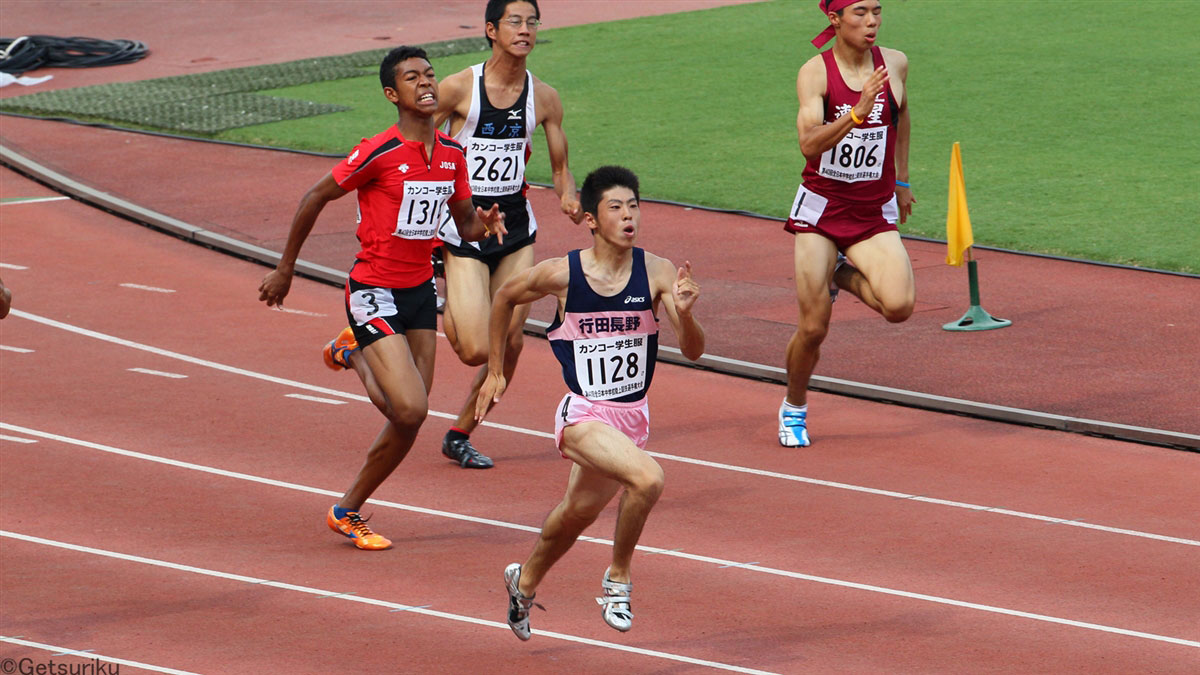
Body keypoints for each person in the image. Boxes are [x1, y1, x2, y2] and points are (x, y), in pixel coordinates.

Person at [257, 46, 505, 550]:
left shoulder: (454, 156)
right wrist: (286, 268)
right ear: (393, 94)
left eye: (430, 74)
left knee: (408, 416)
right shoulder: (378, 151)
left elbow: (464, 225)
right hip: (373, 288)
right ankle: (353, 353)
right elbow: (314, 197)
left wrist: (487, 226)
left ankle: (347, 510)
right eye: (412, 78)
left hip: (418, 291)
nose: (427, 83)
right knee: (412, 411)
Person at [478, 166, 704, 639]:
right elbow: (503, 297)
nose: (628, 217)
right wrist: (496, 369)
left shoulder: (658, 271)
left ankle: (525, 581)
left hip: (631, 419)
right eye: (616, 208)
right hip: (582, 414)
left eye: (634, 206)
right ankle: (617, 579)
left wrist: (684, 313)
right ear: (591, 219)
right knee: (648, 479)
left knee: (574, 515)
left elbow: (693, 350)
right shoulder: (563, 274)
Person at [430, 0, 583, 470]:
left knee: (510, 344)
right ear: (491, 30)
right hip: (464, 226)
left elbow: (560, 168)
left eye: (532, 22)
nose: (526, 30)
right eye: (515, 22)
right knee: (476, 347)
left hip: (514, 227)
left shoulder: (545, 97)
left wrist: (570, 197)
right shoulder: (459, 88)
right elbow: (415, 140)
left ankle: (460, 433)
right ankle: (432, 295)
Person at [780, 0, 916, 447]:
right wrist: (856, 112)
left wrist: (902, 178)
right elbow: (808, 144)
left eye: (877, 10)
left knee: (899, 307)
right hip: (822, 210)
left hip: (872, 211)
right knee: (815, 327)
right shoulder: (815, 73)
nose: (872, 21)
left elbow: (902, 116)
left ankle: (837, 271)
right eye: (859, 12)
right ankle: (794, 408)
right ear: (834, 20)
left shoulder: (895, 63)